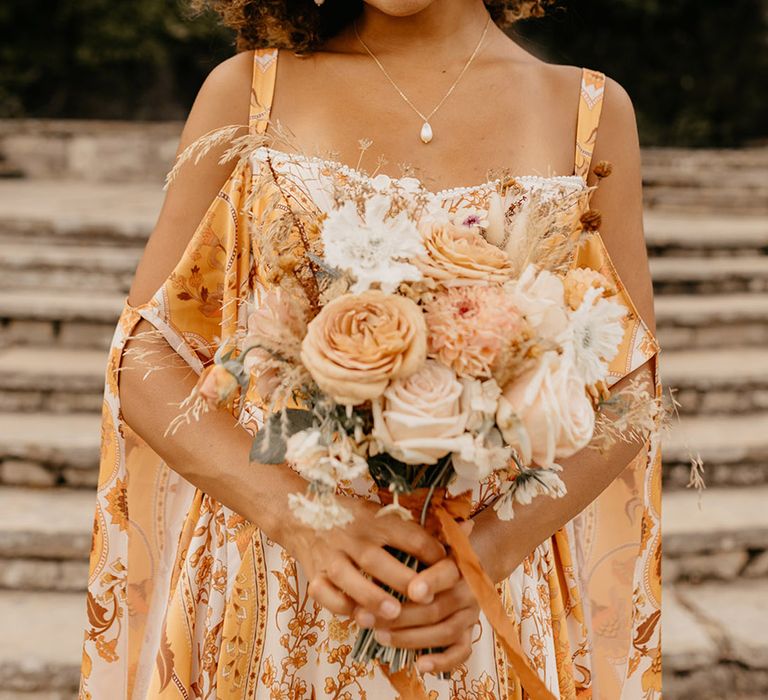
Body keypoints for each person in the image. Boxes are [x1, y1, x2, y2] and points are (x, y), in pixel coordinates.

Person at [79, 1, 661, 698]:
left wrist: (489, 554)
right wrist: (297, 518)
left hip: (471, 608)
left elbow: (630, 388)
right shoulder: (248, 91)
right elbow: (146, 355)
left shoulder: (586, 110)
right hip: (274, 594)